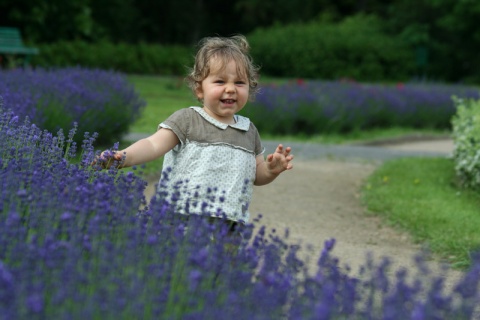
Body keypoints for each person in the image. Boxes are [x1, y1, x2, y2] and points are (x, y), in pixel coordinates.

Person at [96, 34, 293, 226]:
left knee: (225, 260)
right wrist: (123, 157)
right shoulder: (187, 120)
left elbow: (256, 174)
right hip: (182, 215)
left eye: (240, 82)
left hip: (230, 221)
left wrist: (270, 170)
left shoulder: (248, 130)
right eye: (220, 81)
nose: (231, 89)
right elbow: (153, 144)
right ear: (200, 89)